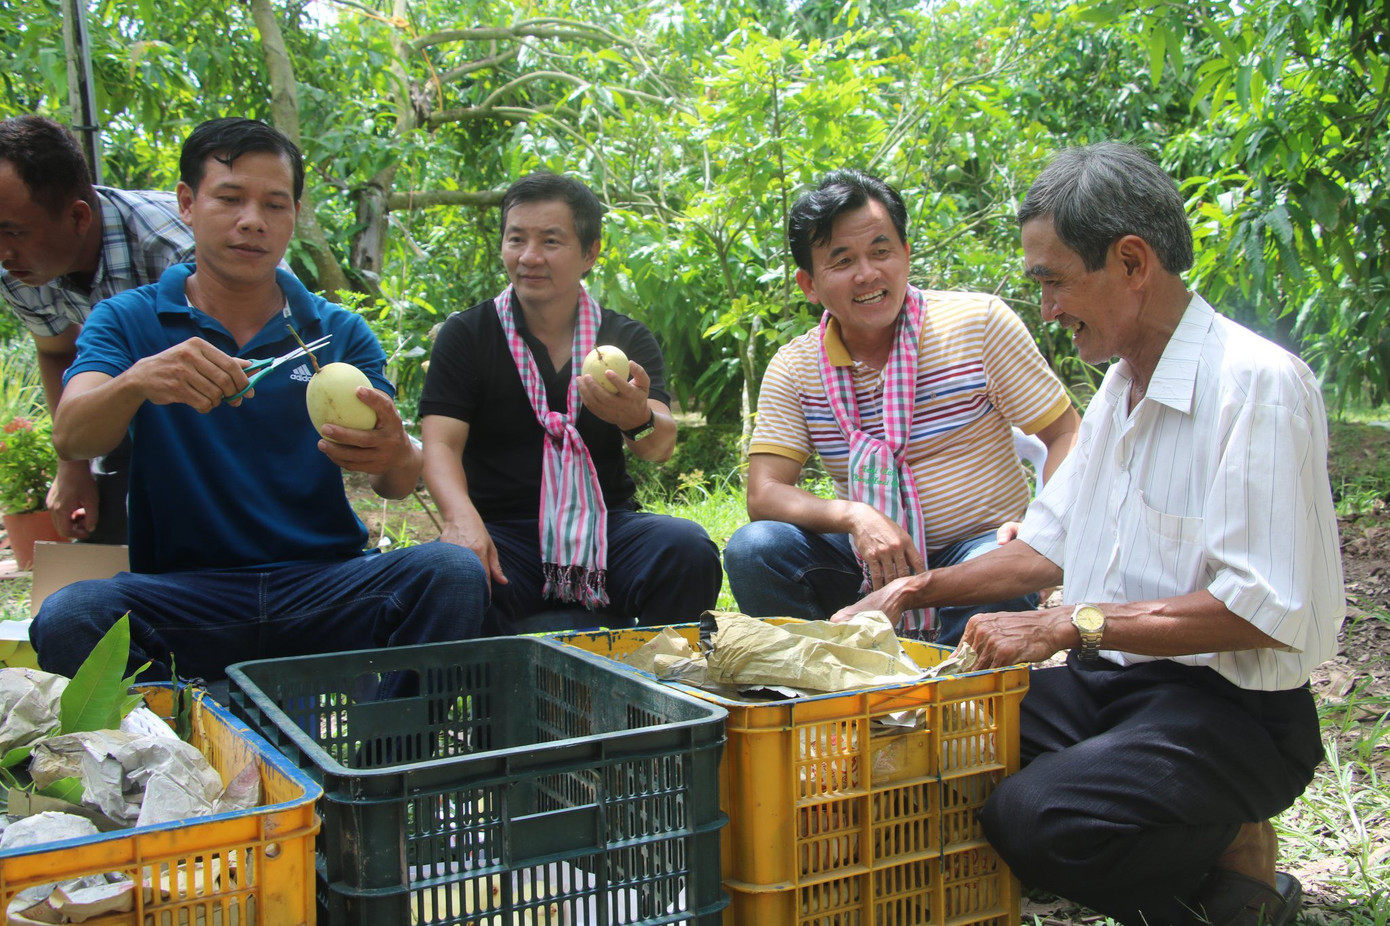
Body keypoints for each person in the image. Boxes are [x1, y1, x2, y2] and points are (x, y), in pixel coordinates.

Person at [833, 143, 1343, 926]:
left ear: (1132, 261)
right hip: (1120, 685)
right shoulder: (1119, 386)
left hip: (1237, 712)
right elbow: (1049, 544)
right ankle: (1196, 859)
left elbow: (1262, 609)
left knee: (1035, 819)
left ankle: (1227, 871)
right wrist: (910, 590)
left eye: (1053, 281)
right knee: (922, 737)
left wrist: (1066, 622)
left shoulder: (1257, 386)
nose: (1047, 309)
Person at [30, 117, 488, 683]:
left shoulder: (337, 333)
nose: (253, 222)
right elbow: (72, 434)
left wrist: (396, 452)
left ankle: (375, 766)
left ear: (294, 216)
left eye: (275, 204)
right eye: (230, 198)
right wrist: (137, 383)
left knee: (450, 572)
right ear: (186, 204)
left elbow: (395, 481)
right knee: (71, 616)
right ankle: (179, 758)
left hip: (321, 586)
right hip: (187, 598)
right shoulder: (128, 319)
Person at [722, 169, 1080, 644]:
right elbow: (764, 492)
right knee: (755, 549)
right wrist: (856, 516)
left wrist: (1042, 526)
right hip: (865, 559)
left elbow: (1066, 434)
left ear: (906, 255)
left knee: (999, 575)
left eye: (881, 250)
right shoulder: (795, 367)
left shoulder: (977, 324)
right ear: (809, 283)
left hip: (975, 550)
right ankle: (828, 687)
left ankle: (951, 693)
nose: (867, 273)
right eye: (843, 260)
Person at [419, 171, 720, 633]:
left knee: (685, 548)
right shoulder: (468, 335)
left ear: (590, 253)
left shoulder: (624, 337)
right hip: (503, 534)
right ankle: (485, 703)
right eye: (516, 239)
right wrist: (461, 521)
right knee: (450, 572)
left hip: (604, 530)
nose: (529, 257)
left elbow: (658, 445)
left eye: (551, 241)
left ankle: (659, 696)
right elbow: (440, 444)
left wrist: (634, 417)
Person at [0, 115, 195, 544]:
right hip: (123, 404)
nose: (3, 252)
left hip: (217, 414)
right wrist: (72, 466)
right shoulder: (19, 268)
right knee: (105, 538)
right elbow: (56, 351)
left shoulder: (177, 253)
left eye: (14, 231)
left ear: (79, 217)